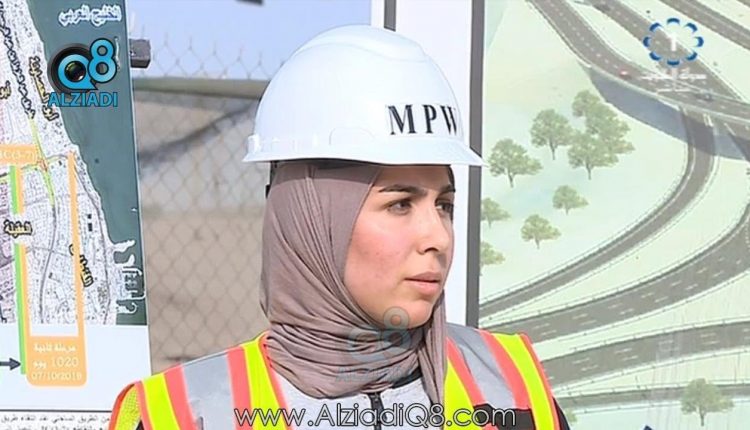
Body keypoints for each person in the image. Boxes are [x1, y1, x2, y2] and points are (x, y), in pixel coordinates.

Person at [108, 25, 571, 430]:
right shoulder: (184, 414)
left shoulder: (512, 387)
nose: (438, 237)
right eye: (400, 204)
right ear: (310, 222)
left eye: (444, 205)